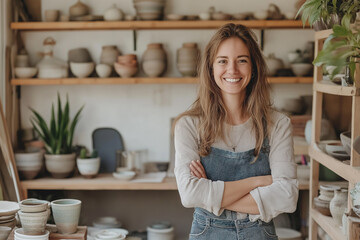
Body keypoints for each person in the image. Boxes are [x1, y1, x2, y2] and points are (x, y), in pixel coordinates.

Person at [174, 23, 298, 240]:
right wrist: (259, 181)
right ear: (211, 68)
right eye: (222, 61)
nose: (232, 70)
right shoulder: (188, 125)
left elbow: (287, 196)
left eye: (242, 60)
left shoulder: (278, 124)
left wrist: (211, 193)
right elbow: (189, 194)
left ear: (254, 67)